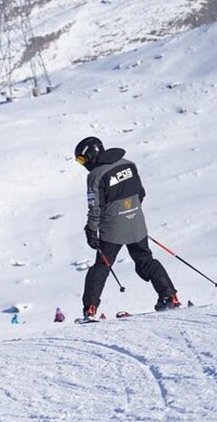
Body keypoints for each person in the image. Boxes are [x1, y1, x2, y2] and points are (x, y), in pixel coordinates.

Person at [74, 136, 180, 320]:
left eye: (81, 159)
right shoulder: (129, 164)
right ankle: (169, 296)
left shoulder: (95, 175)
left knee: (101, 266)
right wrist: (130, 212)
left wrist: (91, 230)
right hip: (136, 222)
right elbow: (141, 193)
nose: (82, 164)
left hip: (112, 229)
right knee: (145, 261)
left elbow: (94, 207)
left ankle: (90, 309)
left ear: (91, 154)